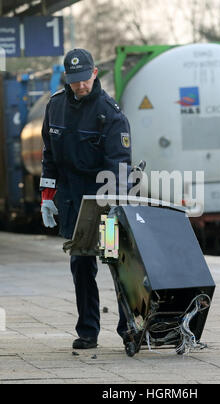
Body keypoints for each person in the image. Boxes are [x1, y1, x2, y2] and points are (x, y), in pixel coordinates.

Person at [40, 48, 132, 349]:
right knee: (81, 263)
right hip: (73, 200)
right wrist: (47, 196)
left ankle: (128, 327)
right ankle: (88, 331)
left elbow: (119, 165)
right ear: (68, 77)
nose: (81, 86)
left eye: (85, 79)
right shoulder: (55, 107)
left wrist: (108, 206)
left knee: (115, 262)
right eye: (74, 80)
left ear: (95, 73)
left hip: (103, 199)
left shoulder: (110, 113)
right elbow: (49, 156)